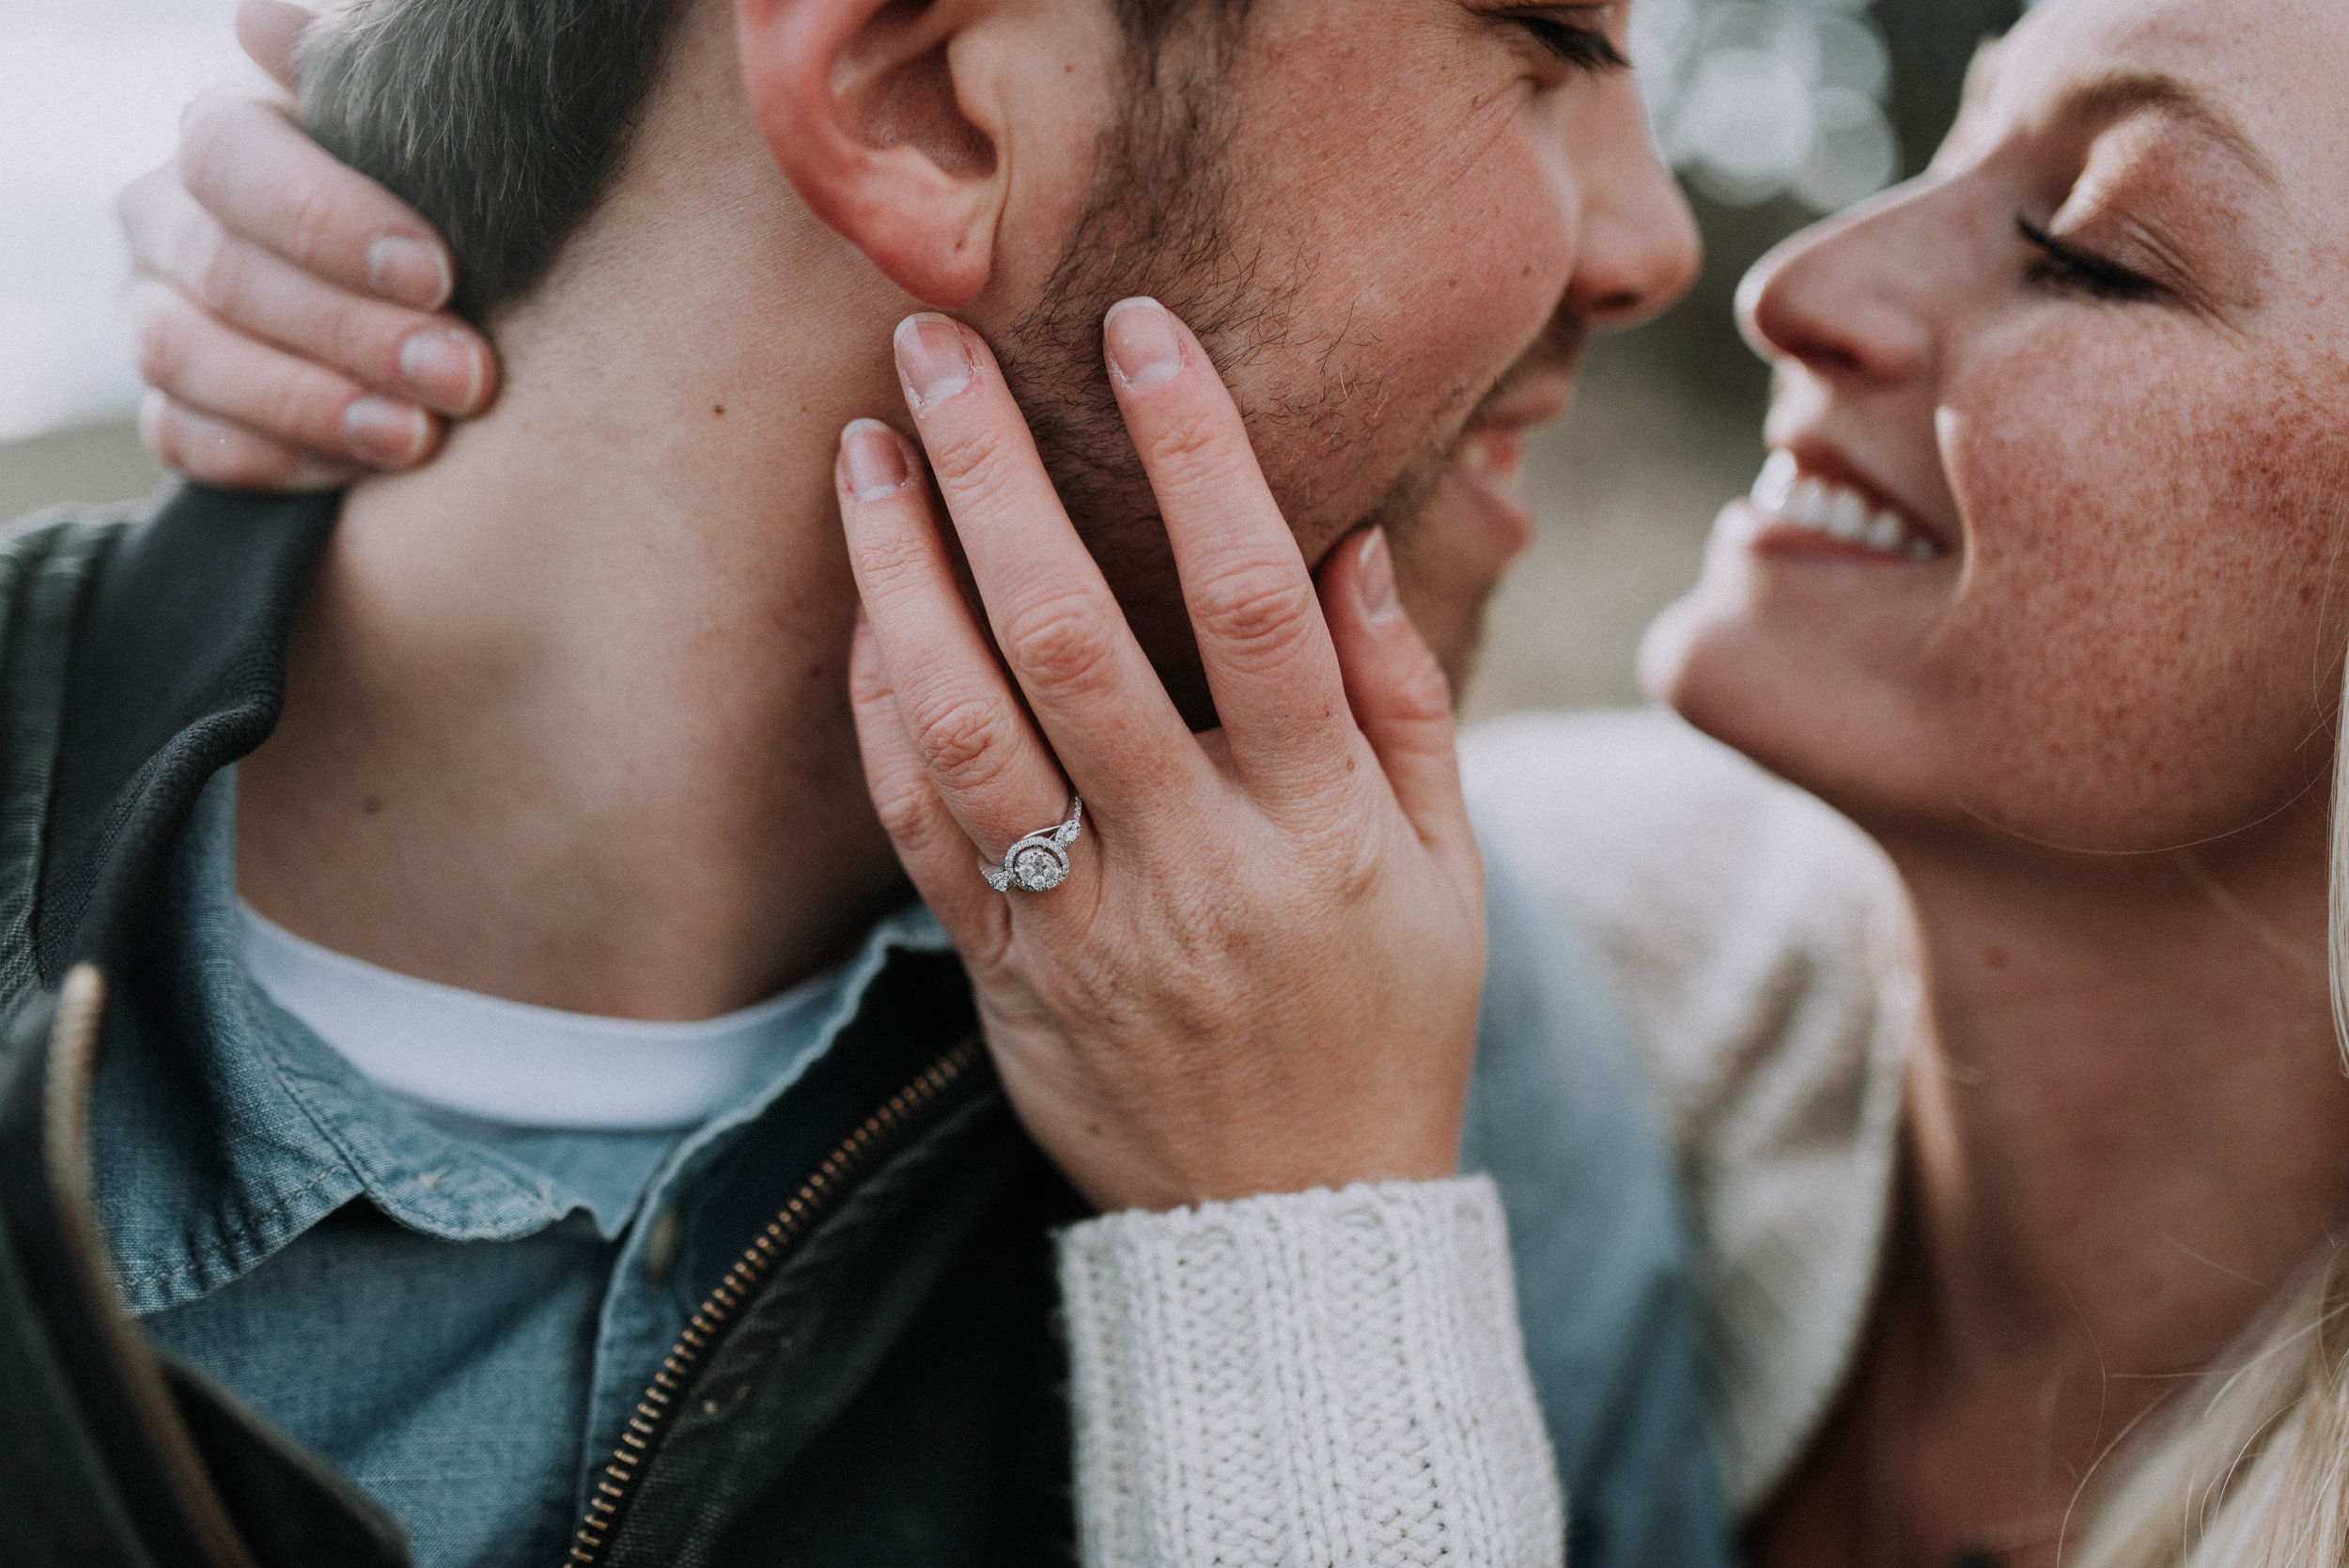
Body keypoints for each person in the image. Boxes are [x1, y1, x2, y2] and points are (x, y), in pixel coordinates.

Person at [152, 0, 2349, 1561]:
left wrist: (1305, 1239)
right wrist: (433, 171)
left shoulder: (1463, 1101)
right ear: (924, 99)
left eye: (2099, 249)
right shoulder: (1534, 963)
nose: (1755, 273)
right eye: (1543, 37)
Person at [3, 1, 1724, 1566]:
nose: (1658, 239)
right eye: (1549, 45)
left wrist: (1318, 1275)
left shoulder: (1429, 1077)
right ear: (925, 103)